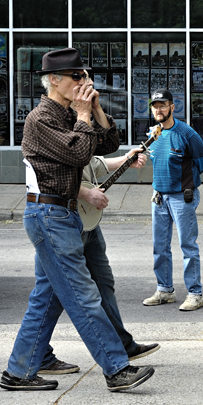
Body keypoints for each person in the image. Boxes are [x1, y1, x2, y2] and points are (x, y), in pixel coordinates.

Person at [3, 47, 154, 391]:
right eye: (76, 76)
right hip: (49, 214)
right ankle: (116, 369)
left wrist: (96, 108)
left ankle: (19, 370)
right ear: (54, 80)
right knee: (83, 296)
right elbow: (78, 152)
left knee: (48, 296)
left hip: (63, 214)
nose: (83, 82)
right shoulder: (40, 119)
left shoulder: (74, 113)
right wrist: (84, 114)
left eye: (85, 76)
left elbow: (108, 143)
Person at [36, 154, 161, 376]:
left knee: (103, 283)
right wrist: (86, 193)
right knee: (50, 295)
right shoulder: (50, 127)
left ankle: (122, 344)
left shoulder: (77, 129)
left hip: (86, 220)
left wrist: (125, 159)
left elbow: (91, 163)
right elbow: (51, 178)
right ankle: (38, 357)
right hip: (60, 220)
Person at [143, 89, 203, 311]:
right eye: (155, 106)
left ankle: (195, 293)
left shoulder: (187, 133)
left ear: (173, 106)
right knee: (159, 246)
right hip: (159, 197)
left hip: (183, 197)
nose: (159, 110)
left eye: (163, 105)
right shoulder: (154, 134)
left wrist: (187, 182)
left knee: (187, 245)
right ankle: (164, 290)